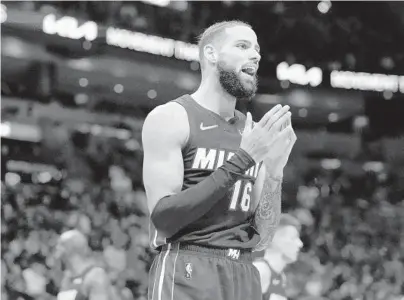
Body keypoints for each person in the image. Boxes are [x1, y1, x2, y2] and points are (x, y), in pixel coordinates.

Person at [142, 20, 297, 300]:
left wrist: (275, 172)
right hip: (188, 265)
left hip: (243, 270)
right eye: (242, 46)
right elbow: (164, 219)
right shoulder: (171, 118)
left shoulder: (253, 132)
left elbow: (263, 237)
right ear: (211, 54)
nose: (256, 55)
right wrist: (243, 159)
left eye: (257, 49)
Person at [253, 214, 303, 300]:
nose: (300, 244)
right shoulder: (259, 271)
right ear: (274, 239)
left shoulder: (281, 277)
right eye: (293, 238)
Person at [53, 230, 112, 300]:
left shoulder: (95, 274)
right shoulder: (67, 278)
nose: (57, 248)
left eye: (61, 245)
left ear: (70, 248)